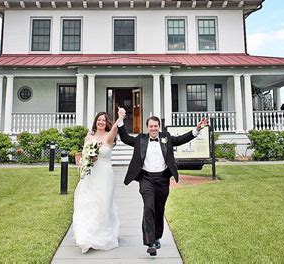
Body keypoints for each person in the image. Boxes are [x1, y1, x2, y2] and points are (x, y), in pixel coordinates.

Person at [117, 107, 209, 257]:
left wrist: (197, 129)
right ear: (147, 127)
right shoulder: (141, 139)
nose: (153, 128)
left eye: (156, 126)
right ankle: (150, 243)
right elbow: (126, 138)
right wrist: (120, 120)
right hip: (146, 179)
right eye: (151, 126)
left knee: (159, 209)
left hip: (162, 179)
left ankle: (157, 236)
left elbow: (181, 140)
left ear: (159, 127)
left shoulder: (166, 138)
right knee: (148, 208)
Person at [72, 112, 119, 254]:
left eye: (104, 120)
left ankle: (103, 234)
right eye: (99, 120)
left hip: (105, 175)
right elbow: (83, 155)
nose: (101, 122)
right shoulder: (89, 137)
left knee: (103, 204)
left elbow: (114, 129)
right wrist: (84, 161)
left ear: (107, 123)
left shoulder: (109, 136)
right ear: (95, 122)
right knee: (86, 203)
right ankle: (86, 236)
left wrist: (120, 118)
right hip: (90, 175)